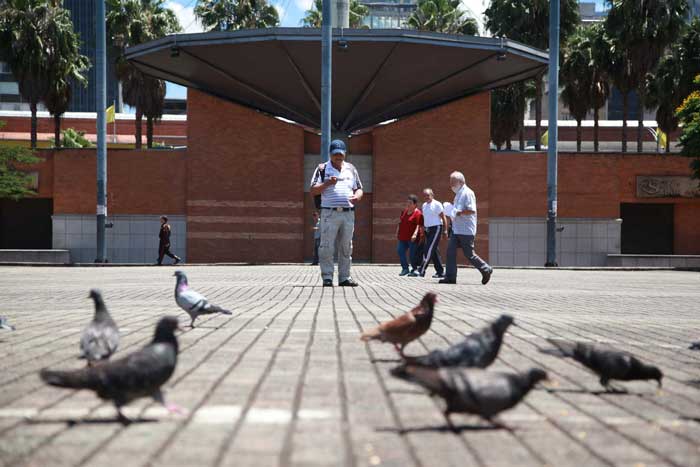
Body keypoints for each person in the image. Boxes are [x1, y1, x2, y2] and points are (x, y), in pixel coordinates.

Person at [309, 139, 363, 287]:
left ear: (345, 153)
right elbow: (313, 190)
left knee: (346, 246)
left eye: (340, 154)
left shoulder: (351, 169)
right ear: (330, 154)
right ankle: (327, 277)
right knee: (326, 246)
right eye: (335, 154)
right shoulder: (322, 169)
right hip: (329, 213)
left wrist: (357, 196)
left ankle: (344, 277)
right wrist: (327, 183)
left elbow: (359, 188)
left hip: (348, 213)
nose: (338, 157)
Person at [440, 171, 492, 285]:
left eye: (453, 182)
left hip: (466, 230)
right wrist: (451, 210)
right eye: (450, 182)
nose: (451, 185)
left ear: (461, 181)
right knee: (450, 251)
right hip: (457, 229)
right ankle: (450, 277)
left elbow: (471, 210)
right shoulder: (459, 194)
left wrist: (457, 212)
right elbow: (456, 211)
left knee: (469, 254)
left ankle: (485, 269)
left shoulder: (467, 193)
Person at [410, 188, 447, 278]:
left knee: (428, 249)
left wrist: (445, 230)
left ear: (432, 195)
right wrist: (422, 230)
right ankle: (440, 272)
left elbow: (443, 217)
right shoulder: (424, 205)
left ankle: (421, 270)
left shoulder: (437, 204)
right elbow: (424, 219)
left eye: (428, 195)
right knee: (434, 251)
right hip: (428, 230)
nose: (426, 197)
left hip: (436, 228)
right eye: (425, 195)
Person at [396, 194, 423, 276]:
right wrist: (397, 230)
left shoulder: (418, 213)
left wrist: (415, 234)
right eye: (407, 202)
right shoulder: (404, 212)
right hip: (403, 236)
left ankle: (414, 269)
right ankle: (405, 268)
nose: (408, 204)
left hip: (412, 238)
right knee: (400, 250)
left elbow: (419, 225)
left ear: (415, 204)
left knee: (412, 255)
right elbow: (400, 222)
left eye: (410, 203)